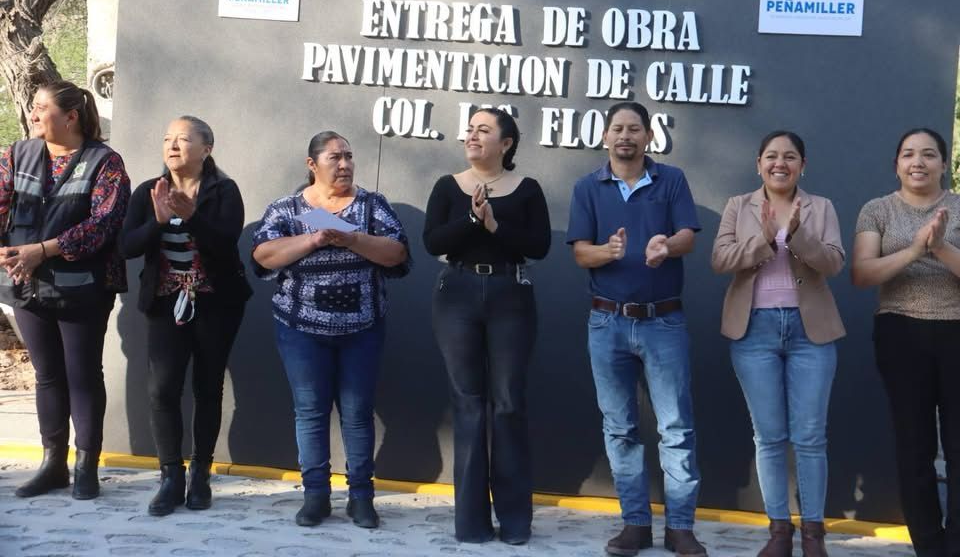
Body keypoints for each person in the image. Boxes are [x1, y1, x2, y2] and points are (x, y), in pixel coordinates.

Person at [567, 101, 706, 557]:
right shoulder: (587, 187)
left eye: (634, 129)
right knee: (620, 428)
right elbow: (580, 253)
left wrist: (667, 246)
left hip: (663, 320)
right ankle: (635, 523)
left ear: (649, 136)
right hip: (607, 321)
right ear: (605, 136)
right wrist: (607, 252)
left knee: (676, 427)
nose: (625, 136)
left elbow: (688, 236)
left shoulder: (672, 180)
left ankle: (680, 527)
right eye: (617, 128)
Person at [252, 131, 409, 529]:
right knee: (310, 412)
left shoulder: (372, 206)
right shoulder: (287, 209)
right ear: (312, 165)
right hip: (300, 330)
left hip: (362, 329)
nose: (345, 164)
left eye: (349, 157)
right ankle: (316, 496)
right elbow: (264, 255)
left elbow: (397, 253)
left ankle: (361, 497)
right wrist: (314, 239)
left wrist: (353, 239)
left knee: (357, 413)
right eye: (335, 157)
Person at [711, 131, 844, 557]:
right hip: (754, 331)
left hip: (811, 332)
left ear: (803, 165)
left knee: (810, 437)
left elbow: (834, 262)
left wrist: (798, 235)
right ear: (759, 164)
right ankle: (779, 532)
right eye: (771, 156)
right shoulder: (738, 206)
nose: (780, 163)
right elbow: (720, 260)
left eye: (790, 156)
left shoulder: (821, 207)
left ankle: (813, 535)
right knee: (768, 436)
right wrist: (765, 239)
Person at [423, 108, 550, 545]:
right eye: (470, 130)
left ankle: (515, 521)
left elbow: (540, 245)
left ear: (506, 143)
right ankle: (471, 523)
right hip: (456, 295)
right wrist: (472, 220)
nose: (472, 136)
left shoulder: (527, 188)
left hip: (510, 295)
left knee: (509, 403)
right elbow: (432, 241)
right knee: (468, 404)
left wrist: (495, 225)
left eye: (484, 130)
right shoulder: (447, 186)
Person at [0, 80, 130, 500]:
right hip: (26, 285)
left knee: (82, 375)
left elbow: (103, 225)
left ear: (70, 117)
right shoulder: (17, 154)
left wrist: (42, 250)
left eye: (42, 107)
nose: (33, 114)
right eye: (33, 107)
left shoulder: (105, 163)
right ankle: (53, 464)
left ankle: (87, 466)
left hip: (82, 290)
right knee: (47, 375)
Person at [120, 116, 252, 516]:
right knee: (162, 389)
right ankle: (170, 477)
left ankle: (200, 475)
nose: (172, 146)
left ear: (206, 149)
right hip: (165, 302)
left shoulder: (224, 191)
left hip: (215, 304)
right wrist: (158, 221)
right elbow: (126, 246)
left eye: (183, 139)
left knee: (208, 387)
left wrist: (192, 215)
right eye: (167, 139)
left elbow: (226, 245)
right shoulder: (148, 191)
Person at [851, 128, 960, 557]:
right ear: (896, 164)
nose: (918, 162)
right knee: (915, 446)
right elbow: (862, 274)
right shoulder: (877, 210)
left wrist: (941, 246)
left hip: (957, 331)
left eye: (929, 154)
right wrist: (914, 251)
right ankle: (930, 547)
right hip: (900, 333)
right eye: (909, 154)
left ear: (944, 164)